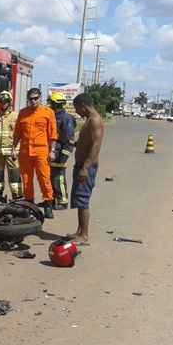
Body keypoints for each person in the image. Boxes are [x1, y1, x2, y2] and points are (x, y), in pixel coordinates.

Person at [13, 87, 58, 219]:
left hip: (41, 151)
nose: (33, 101)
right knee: (26, 180)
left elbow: (53, 134)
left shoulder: (48, 112)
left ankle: (48, 204)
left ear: (40, 98)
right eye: (30, 99)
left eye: (36, 98)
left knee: (44, 179)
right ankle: (29, 205)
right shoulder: (22, 113)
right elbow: (17, 133)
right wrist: (13, 149)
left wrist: (52, 151)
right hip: (25, 151)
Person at [69, 93, 104, 244]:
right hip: (81, 164)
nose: (76, 112)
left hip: (86, 167)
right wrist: (76, 144)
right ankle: (79, 231)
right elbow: (88, 142)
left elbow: (96, 146)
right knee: (78, 198)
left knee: (83, 200)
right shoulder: (88, 120)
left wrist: (85, 168)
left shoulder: (95, 120)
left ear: (83, 106)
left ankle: (84, 235)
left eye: (77, 108)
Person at [0, 90, 22, 200]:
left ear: (9, 102)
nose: (3, 104)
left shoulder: (16, 117)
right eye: (1, 102)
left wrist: (16, 149)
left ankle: (17, 198)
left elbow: (21, 134)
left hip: (12, 152)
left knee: (14, 176)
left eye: (5, 101)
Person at [48, 92, 76, 210]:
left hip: (61, 152)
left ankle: (62, 201)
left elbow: (69, 140)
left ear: (56, 104)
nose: (50, 105)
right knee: (51, 176)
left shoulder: (66, 118)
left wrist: (64, 155)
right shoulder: (53, 116)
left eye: (52, 103)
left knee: (58, 177)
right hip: (54, 151)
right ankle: (54, 199)